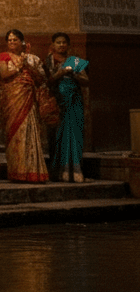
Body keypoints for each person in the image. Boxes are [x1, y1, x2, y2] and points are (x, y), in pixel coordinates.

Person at [0, 29, 49, 183]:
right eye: (10, 40)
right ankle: (16, 172)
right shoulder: (4, 56)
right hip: (11, 100)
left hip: (28, 99)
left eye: (15, 40)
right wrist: (20, 66)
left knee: (30, 131)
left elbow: (41, 79)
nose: (12, 43)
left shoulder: (32, 59)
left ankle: (32, 171)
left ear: (22, 42)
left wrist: (28, 65)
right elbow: (4, 74)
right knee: (14, 133)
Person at [46, 32, 89, 182]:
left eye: (64, 42)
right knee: (59, 135)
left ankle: (76, 170)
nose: (61, 45)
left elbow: (86, 80)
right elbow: (46, 81)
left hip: (74, 100)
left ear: (68, 45)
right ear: (53, 45)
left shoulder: (75, 61)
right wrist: (61, 73)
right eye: (58, 42)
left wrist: (75, 74)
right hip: (58, 101)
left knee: (75, 132)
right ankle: (60, 171)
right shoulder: (49, 61)